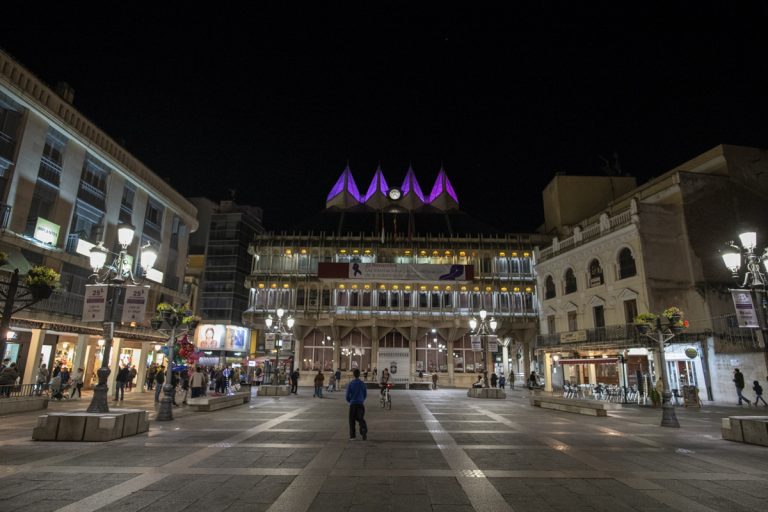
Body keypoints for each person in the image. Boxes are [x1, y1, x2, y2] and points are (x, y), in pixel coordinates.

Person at [346, 368, 368, 441]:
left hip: (353, 404)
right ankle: (363, 429)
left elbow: (347, 396)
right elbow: (365, 394)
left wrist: (350, 401)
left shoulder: (350, 384)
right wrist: (361, 400)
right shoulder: (362, 384)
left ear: (353, 375)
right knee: (360, 418)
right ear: (359, 375)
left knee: (351, 420)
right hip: (360, 404)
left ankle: (352, 436)